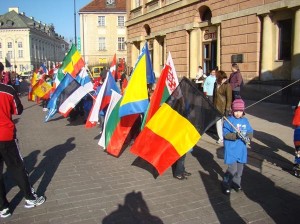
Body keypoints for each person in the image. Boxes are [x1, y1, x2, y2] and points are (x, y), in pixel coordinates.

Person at [0, 62, 46, 218]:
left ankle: (3, 207)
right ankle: (29, 198)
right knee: (17, 167)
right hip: (6, 136)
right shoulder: (8, 90)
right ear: (1, 73)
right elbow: (18, 109)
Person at [221, 99, 254, 195]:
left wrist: (249, 138)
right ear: (232, 110)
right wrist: (236, 135)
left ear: (243, 111)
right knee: (232, 169)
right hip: (231, 149)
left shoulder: (245, 121)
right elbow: (225, 134)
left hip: (241, 150)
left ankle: (236, 183)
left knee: (239, 170)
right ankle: (225, 184)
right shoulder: (228, 120)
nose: (238, 113)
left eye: (240, 111)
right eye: (236, 111)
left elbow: (250, 131)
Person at [213, 70, 232, 144]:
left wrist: (227, 109)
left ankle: (226, 136)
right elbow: (215, 96)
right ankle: (221, 138)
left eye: (217, 76)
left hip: (223, 107)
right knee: (218, 123)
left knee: (224, 123)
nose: (216, 78)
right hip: (216, 106)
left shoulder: (227, 85)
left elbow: (229, 98)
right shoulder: (217, 84)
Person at [292, 102, 300, 177]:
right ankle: (297, 168)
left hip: (297, 135)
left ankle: (297, 168)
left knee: (298, 153)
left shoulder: (298, 109)